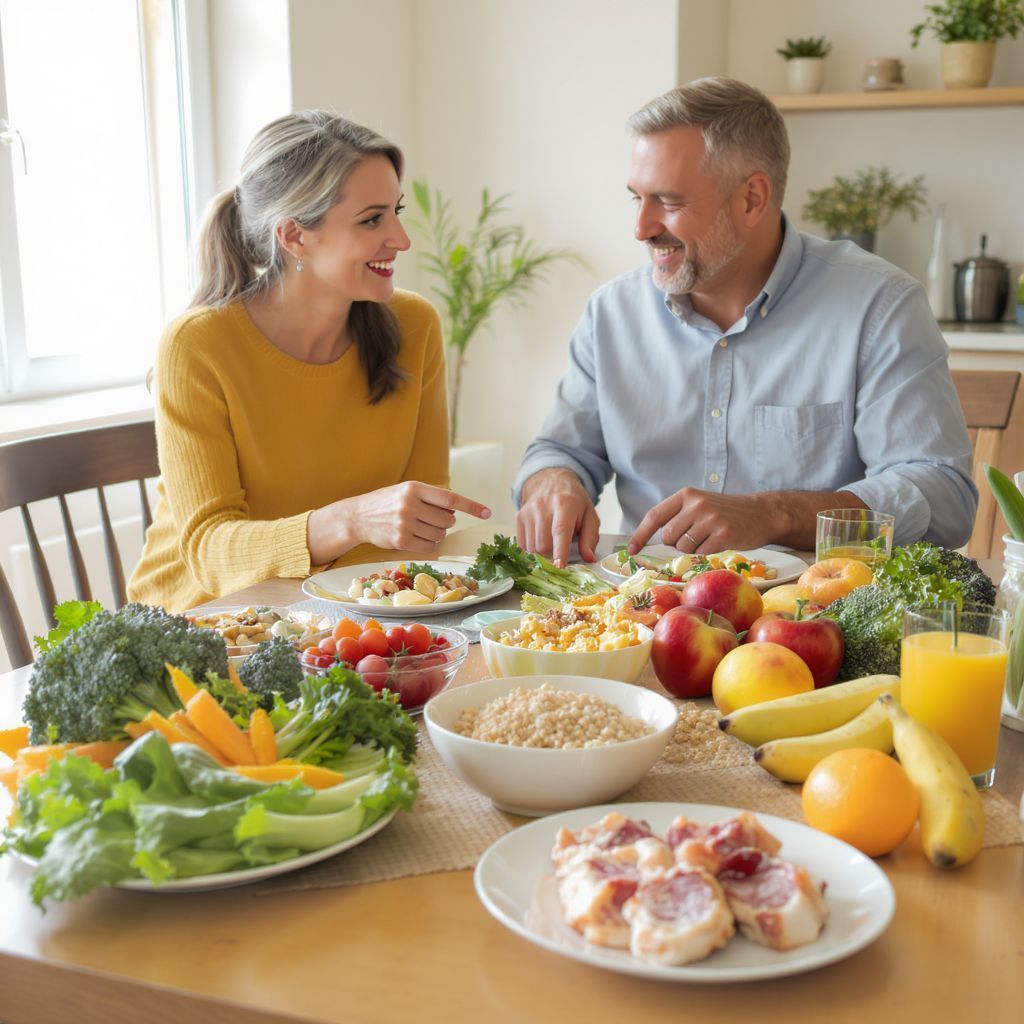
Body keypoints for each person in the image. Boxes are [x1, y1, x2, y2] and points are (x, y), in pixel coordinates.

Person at [513, 77, 976, 567]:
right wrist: (554, 482)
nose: (641, 228)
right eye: (637, 198)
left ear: (752, 198)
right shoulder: (611, 314)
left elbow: (943, 494)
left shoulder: (879, 307)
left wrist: (775, 512)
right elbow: (558, 450)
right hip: (640, 619)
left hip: (815, 617)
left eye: (668, 202)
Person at [129, 110, 489, 611]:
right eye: (371, 219)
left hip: (340, 610)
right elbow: (210, 553)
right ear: (294, 236)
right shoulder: (197, 346)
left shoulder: (415, 325)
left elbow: (419, 525)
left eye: (395, 211)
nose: (401, 240)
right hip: (207, 621)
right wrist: (353, 519)